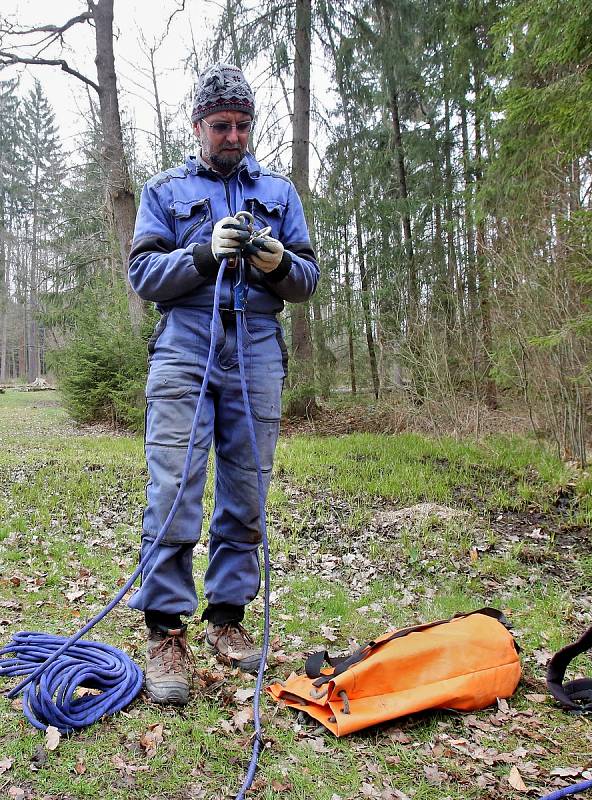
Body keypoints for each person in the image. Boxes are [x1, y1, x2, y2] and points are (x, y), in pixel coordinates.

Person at [127, 63, 319, 706]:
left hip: (259, 347)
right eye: (220, 125)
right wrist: (202, 253)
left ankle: (229, 620)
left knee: (246, 487)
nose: (232, 136)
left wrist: (278, 263)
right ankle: (164, 630)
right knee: (175, 485)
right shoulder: (162, 189)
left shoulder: (280, 192)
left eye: (241, 124)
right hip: (185, 345)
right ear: (197, 127)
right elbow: (144, 274)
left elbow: (307, 280)